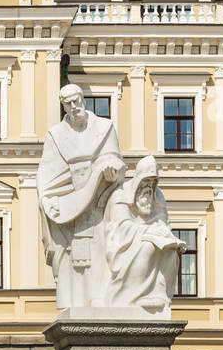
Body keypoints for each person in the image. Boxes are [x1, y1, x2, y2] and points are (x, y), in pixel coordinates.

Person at [37, 83, 125, 309]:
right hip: (69, 204)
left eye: (77, 101)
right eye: (68, 104)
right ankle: (74, 302)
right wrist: (51, 201)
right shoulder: (56, 136)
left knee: (99, 250)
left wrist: (111, 170)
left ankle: (99, 297)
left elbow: (115, 160)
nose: (74, 107)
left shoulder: (104, 128)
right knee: (71, 256)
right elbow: (47, 173)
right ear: (63, 107)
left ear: (83, 100)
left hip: (98, 201)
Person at [104, 154, 186, 311]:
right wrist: (149, 232)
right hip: (123, 243)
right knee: (147, 246)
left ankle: (160, 296)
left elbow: (163, 222)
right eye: (146, 180)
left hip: (149, 238)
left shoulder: (158, 197)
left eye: (153, 181)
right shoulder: (121, 194)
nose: (150, 185)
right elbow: (122, 226)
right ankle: (134, 296)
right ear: (138, 180)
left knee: (171, 250)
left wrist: (170, 237)